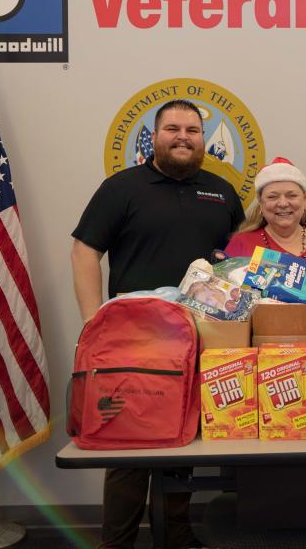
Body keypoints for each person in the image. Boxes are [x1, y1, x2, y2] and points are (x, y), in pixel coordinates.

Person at [71, 99, 244, 549]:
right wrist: (94, 320)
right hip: (133, 339)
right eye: (172, 128)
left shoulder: (222, 192)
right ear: (154, 136)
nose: (183, 136)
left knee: (181, 437)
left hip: (200, 335)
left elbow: (241, 262)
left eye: (192, 129)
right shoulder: (121, 187)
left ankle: (177, 535)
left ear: (203, 140)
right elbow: (85, 250)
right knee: (127, 446)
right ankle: (118, 541)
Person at [224, 157, 306, 268]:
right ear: (261, 203)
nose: (283, 203)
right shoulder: (241, 243)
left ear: (305, 199)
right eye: (272, 197)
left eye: (292, 195)